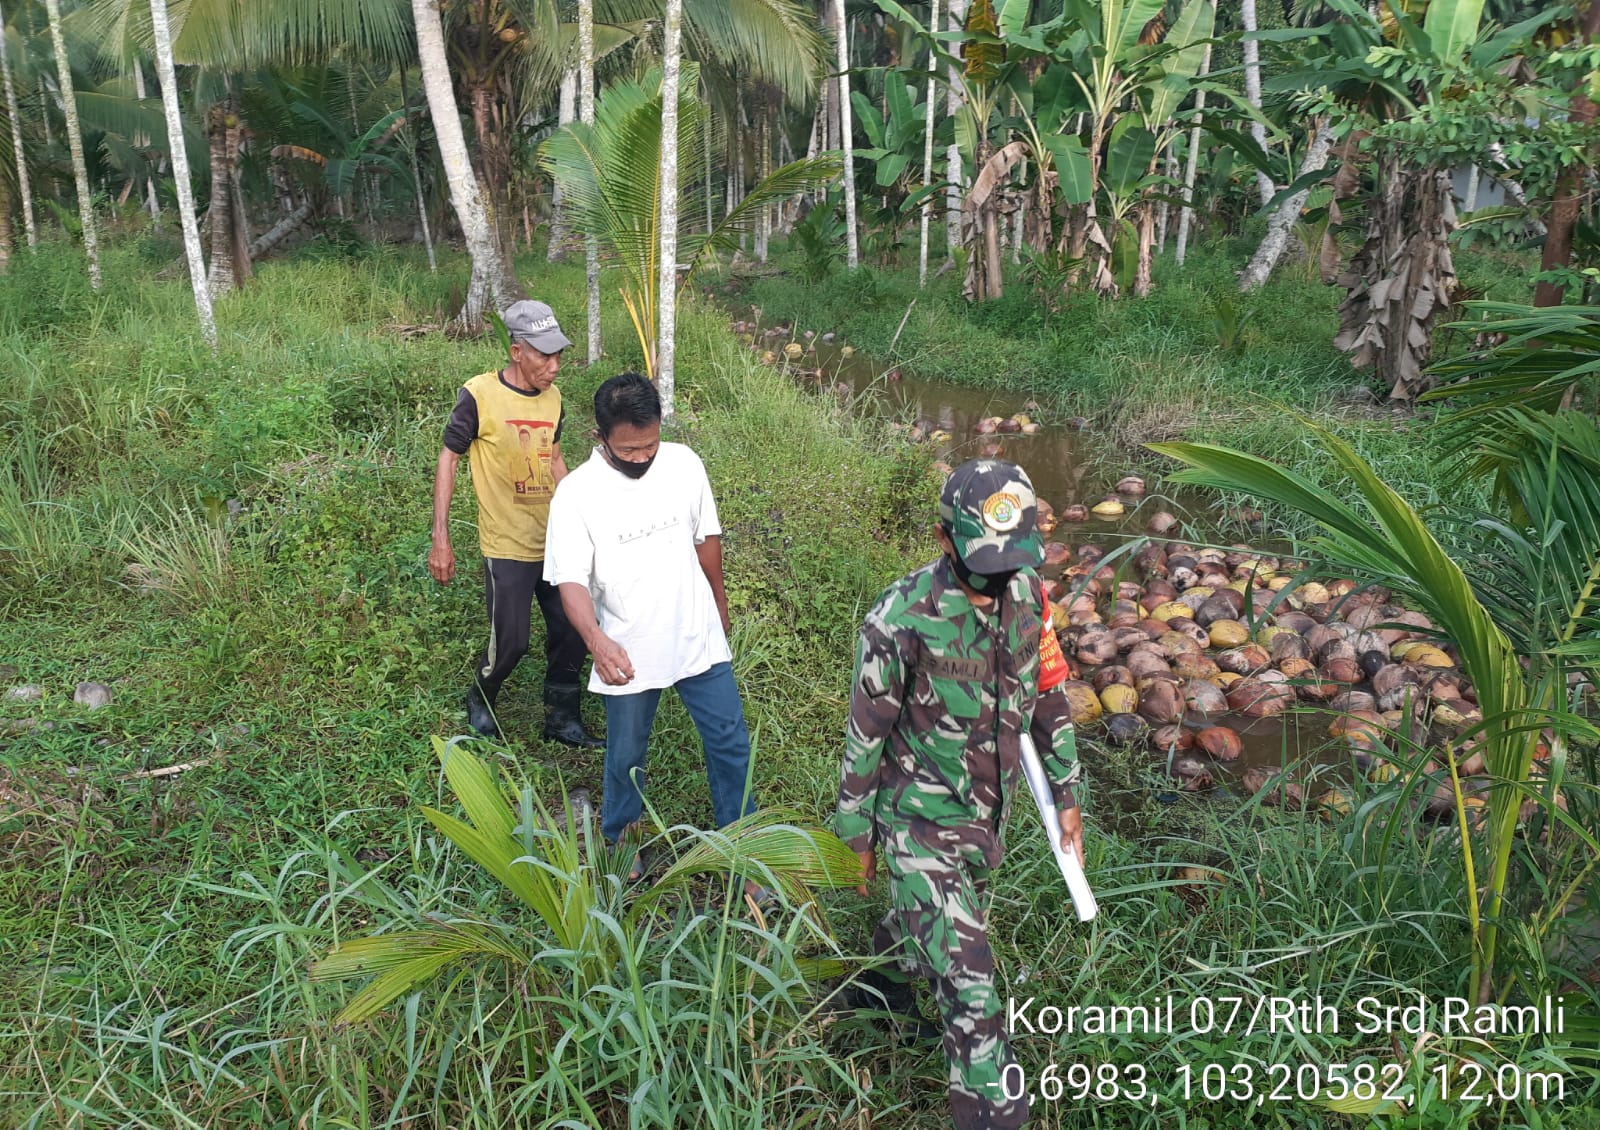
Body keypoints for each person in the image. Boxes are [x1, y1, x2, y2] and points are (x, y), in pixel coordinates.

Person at [835, 458, 1085, 1130]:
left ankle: (875, 987)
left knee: (922, 934)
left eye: (1011, 563)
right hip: (916, 821)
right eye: (985, 565)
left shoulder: (1031, 598)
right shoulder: (901, 617)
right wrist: (854, 833)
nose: (999, 581)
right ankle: (994, 1113)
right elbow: (867, 730)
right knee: (971, 989)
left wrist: (1066, 791)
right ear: (945, 539)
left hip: (983, 815)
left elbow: (1049, 696)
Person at [544, 372, 757, 870]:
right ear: (599, 438)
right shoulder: (576, 495)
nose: (641, 458)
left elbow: (706, 539)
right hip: (627, 650)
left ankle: (743, 849)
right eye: (629, 450)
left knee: (731, 744)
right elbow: (570, 581)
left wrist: (719, 603)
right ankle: (622, 843)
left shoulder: (684, 464)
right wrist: (596, 640)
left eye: (650, 445)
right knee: (625, 757)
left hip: (696, 636)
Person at [427, 299, 604, 748]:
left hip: (555, 540)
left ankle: (560, 718)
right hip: (506, 544)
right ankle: (481, 696)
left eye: (559, 354)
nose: (555, 366)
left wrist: (584, 520)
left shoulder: (555, 398)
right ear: (516, 350)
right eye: (545, 355)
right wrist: (441, 537)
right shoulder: (480, 395)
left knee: (571, 630)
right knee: (512, 643)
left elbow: (556, 459)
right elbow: (449, 458)